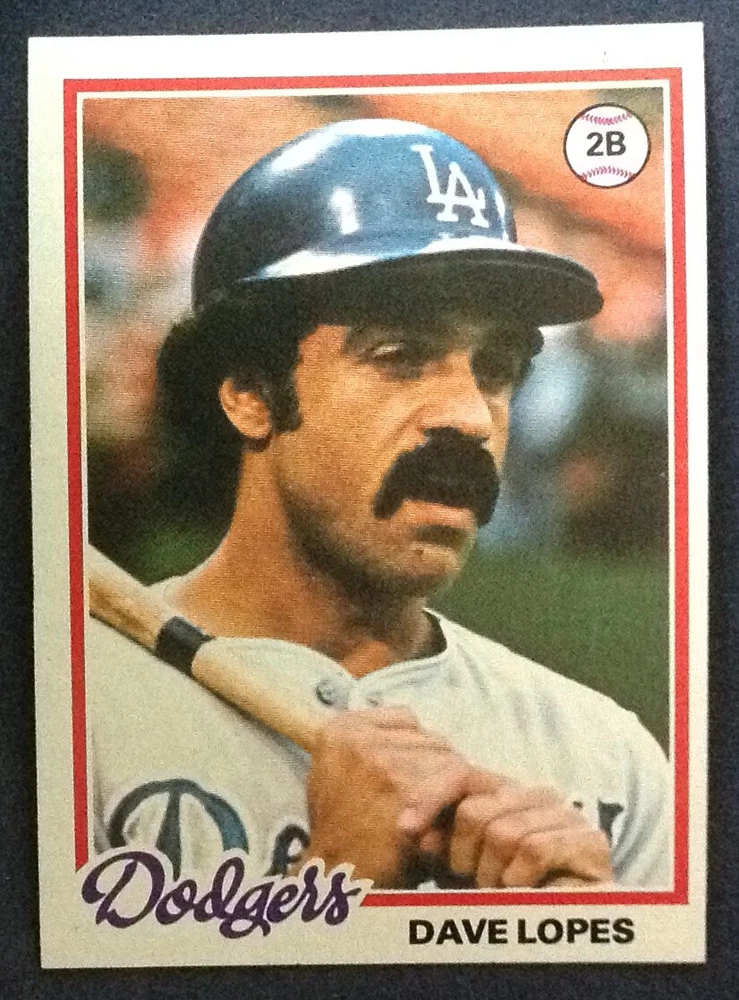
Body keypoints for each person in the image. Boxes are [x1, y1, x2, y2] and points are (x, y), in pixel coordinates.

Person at [87, 118, 671, 890]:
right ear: (251, 395)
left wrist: (581, 943)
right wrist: (338, 882)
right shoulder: (73, 719)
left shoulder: (607, 761)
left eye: (495, 367)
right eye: (399, 356)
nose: (470, 415)